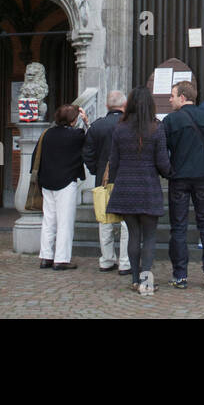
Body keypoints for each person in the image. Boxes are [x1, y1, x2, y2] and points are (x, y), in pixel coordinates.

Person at [162, 81, 204, 288]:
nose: (170, 99)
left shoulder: (171, 120)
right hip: (202, 177)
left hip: (179, 178)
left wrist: (168, 170)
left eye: (172, 95)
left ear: (182, 97)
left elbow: (161, 150)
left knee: (179, 226)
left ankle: (180, 274)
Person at [106, 86, 171, 292]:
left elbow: (114, 161)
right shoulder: (156, 128)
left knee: (133, 235)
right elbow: (162, 162)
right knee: (149, 237)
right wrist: (172, 173)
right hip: (148, 186)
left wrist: (113, 182)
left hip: (125, 187)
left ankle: (135, 279)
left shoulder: (120, 128)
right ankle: (145, 281)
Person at [36, 104, 90, 270]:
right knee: (65, 222)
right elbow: (92, 138)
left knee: (48, 221)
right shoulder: (76, 135)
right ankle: (61, 259)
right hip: (66, 182)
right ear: (74, 120)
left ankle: (46, 256)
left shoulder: (47, 134)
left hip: (47, 181)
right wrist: (86, 121)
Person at [82, 90, 130, 275]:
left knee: (105, 220)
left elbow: (87, 153)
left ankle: (107, 259)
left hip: (103, 178)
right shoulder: (128, 125)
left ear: (106, 106)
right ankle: (125, 262)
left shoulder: (97, 126)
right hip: (126, 177)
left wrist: (96, 170)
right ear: (124, 106)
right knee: (127, 221)